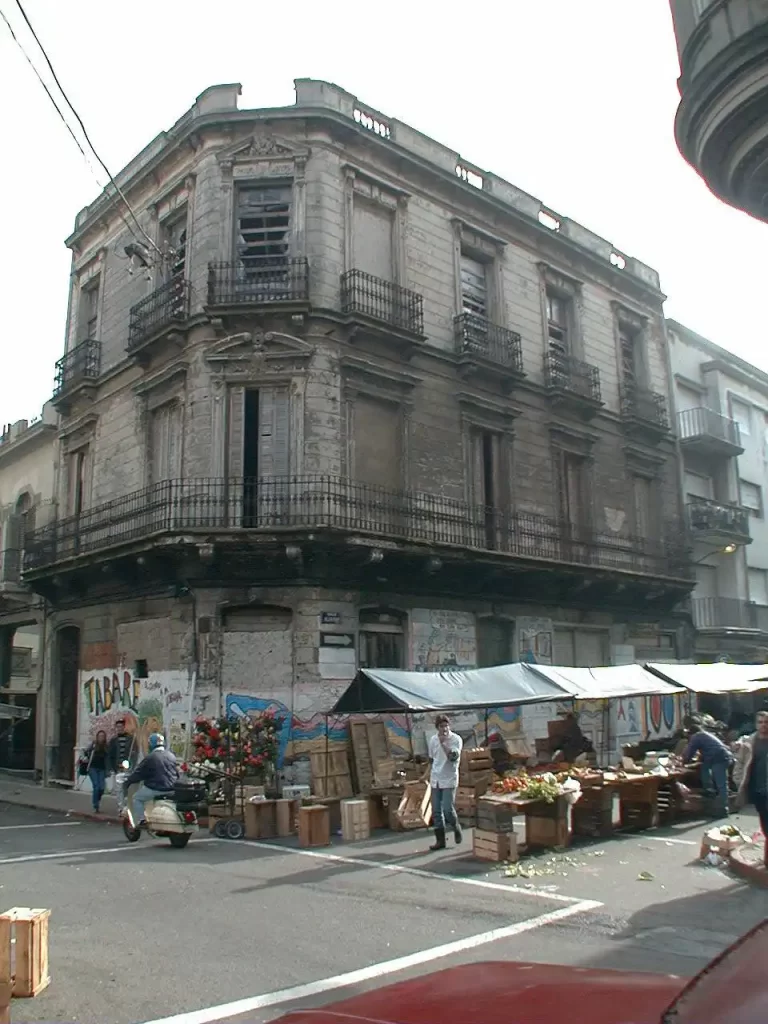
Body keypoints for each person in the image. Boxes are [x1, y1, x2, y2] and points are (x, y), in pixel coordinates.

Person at [423, 714, 463, 851]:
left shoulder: (456, 739)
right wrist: (425, 775)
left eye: (446, 725)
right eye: (441, 726)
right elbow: (432, 760)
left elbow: (453, 757)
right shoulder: (433, 739)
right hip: (436, 778)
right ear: (437, 728)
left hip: (449, 778)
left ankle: (456, 827)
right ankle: (440, 840)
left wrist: (444, 743)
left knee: (447, 809)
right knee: (436, 811)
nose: (444, 729)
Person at [124, 733, 179, 827]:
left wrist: (128, 782)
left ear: (151, 744)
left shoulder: (150, 758)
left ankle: (141, 820)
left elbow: (138, 773)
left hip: (156, 788)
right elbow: (177, 773)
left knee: (137, 798)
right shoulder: (171, 756)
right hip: (171, 789)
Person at [736, 711, 768, 867]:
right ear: (756, 724)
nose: (763, 725)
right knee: (764, 822)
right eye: (760, 722)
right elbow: (740, 763)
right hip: (757, 789)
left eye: (766, 722)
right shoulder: (749, 743)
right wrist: (739, 782)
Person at [681, 723, 733, 818]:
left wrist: (683, 763)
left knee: (721, 783)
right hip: (722, 756)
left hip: (719, 758)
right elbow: (704, 753)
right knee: (704, 767)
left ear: (691, 733)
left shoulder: (696, 737)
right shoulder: (705, 735)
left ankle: (723, 809)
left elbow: (690, 753)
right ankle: (709, 789)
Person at [83, 730, 109, 813]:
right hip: (93, 767)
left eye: (103, 736)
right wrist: (86, 757)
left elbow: (108, 757)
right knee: (96, 786)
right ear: (97, 737)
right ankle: (95, 805)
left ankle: (96, 799)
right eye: (100, 736)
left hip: (102, 768)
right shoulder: (94, 745)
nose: (101, 737)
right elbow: (86, 752)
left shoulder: (106, 746)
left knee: (101, 787)